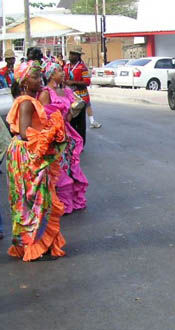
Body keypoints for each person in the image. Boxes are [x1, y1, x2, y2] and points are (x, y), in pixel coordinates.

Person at [5, 61, 67, 261]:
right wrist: (50, 133)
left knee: (33, 200)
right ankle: (32, 245)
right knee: (32, 200)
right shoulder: (26, 102)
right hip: (27, 155)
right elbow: (24, 133)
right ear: (23, 81)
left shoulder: (28, 99)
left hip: (26, 152)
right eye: (34, 77)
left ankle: (36, 242)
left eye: (39, 76)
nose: (38, 80)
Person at [39, 62, 89, 214]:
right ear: (51, 74)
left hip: (66, 134)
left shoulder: (66, 90)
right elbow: (43, 118)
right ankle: (60, 204)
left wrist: (74, 110)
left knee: (70, 168)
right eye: (59, 71)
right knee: (59, 170)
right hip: (54, 136)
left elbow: (69, 113)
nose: (63, 73)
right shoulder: (45, 93)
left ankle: (71, 201)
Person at [64, 46, 102, 146]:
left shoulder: (82, 67)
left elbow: (87, 82)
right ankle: (72, 142)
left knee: (80, 123)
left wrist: (73, 82)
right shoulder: (66, 66)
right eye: (71, 53)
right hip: (69, 97)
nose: (71, 56)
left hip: (81, 97)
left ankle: (81, 143)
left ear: (78, 56)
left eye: (74, 54)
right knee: (70, 121)